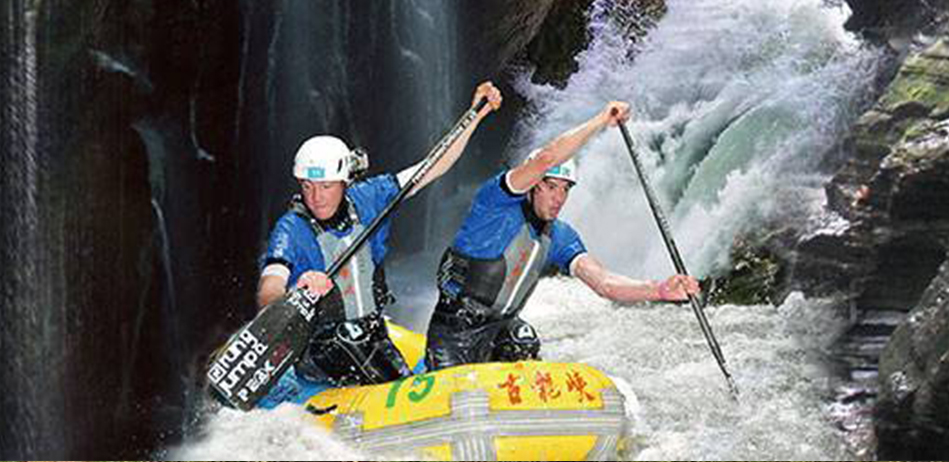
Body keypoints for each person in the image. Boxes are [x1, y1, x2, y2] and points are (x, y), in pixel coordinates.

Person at [258, 80, 503, 390]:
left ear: (345, 183)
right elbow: (270, 285)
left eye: (326, 186)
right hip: (321, 349)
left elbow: (433, 166)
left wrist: (475, 114)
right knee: (353, 340)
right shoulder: (292, 229)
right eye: (307, 186)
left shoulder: (370, 197)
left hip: (371, 333)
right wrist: (293, 296)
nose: (316, 197)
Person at [424, 101, 701, 370]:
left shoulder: (558, 236)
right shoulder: (494, 204)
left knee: (524, 340)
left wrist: (659, 289)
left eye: (565, 189)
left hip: (500, 329)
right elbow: (546, 159)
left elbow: (604, 284)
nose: (559, 198)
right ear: (533, 186)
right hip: (455, 331)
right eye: (551, 187)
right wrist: (601, 120)